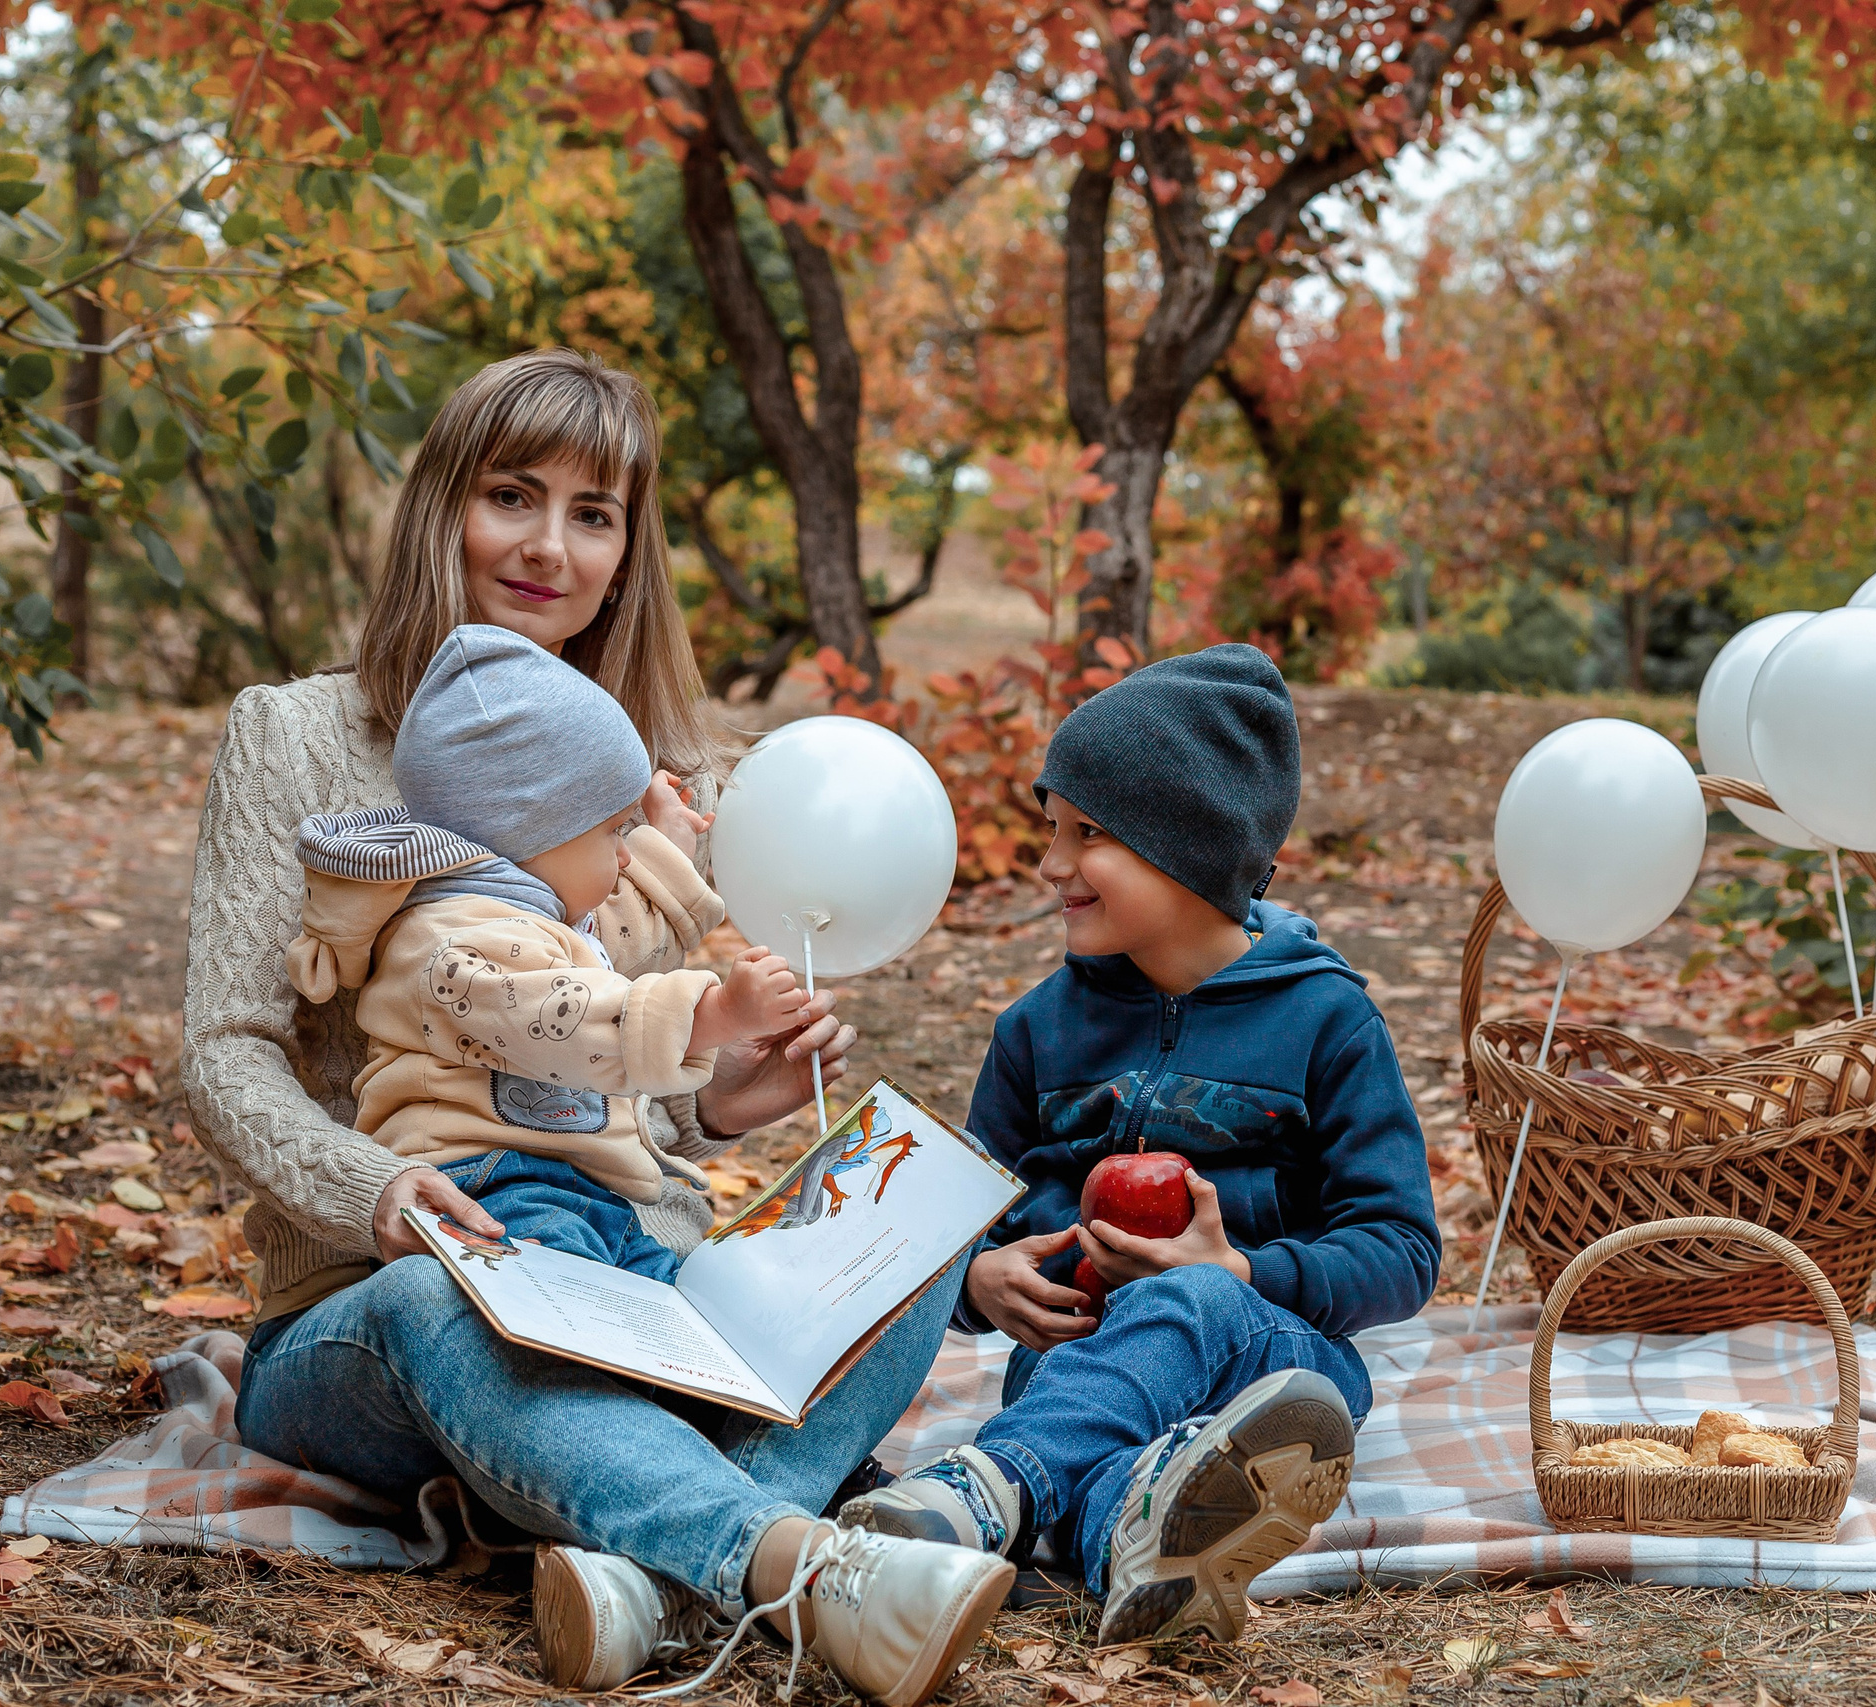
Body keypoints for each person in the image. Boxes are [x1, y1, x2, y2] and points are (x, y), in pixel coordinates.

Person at [183, 349, 1008, 1704]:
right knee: (442, 1300)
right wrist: (379, 1188)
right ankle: (791, 1562)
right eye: (513, 494)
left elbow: (597, 1063)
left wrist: (724, 1095)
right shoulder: (297, 736)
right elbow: (224, 1048)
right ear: (443, 503)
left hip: (629, 1279)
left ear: (630, 549)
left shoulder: (642, 765)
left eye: (594, 512)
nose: (549, 545)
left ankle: (652, 1572)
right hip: (378, 1298)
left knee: (914, 1230)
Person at [838, 645, 1440, 1645]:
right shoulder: (1036, 1032)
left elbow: (1401, 1249)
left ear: (1188, 847)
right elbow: (953, 1225)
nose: (1050, 866)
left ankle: (985, 1493)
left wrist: (1242, 1268)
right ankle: (1138, 1538)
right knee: (1109, 1452)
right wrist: (978, 1281)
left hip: (1274, 1368)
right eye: (1051, 830)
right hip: (1075, 1361)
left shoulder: (1327, 1022)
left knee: (1193, 1298)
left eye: (1088, 834)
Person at [285, 621, 813, 1272]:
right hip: (487, 1183)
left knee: (675, 1316)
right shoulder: (451, 940)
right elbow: (560, 1015)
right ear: (535, 829)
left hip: (589, 1195)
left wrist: (667, 844)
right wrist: (714, 1015)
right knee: (573, 1324)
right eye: (615, 831)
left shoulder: (540, 911)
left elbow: (622, 933)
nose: (626, 856)